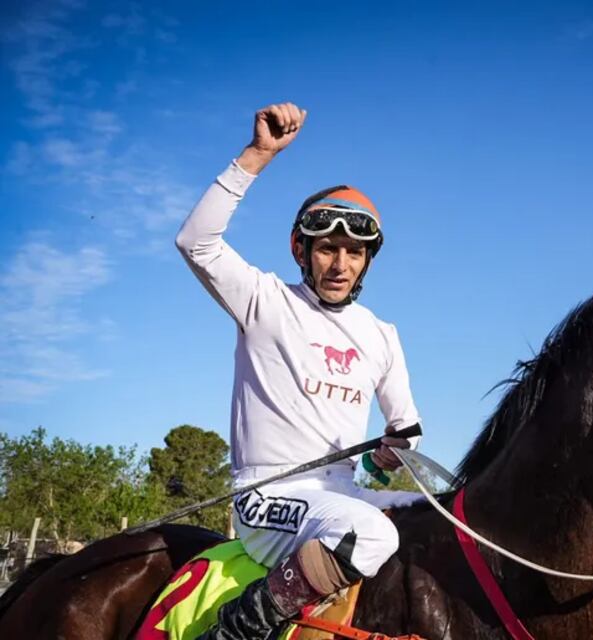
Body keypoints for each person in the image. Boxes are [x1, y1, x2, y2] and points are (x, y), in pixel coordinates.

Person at [175, 102, 423, 640]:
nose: (340, 264)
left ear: (367, 260)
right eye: (328, 249)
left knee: (440, 514)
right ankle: (236, 631)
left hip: (343, 497)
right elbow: (195, 243)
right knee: (373, 535)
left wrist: (388, 456)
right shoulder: (264, 301)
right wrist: (257, 155)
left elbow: (404, 432)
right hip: (266, 499)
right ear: (301, 250)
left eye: (354, 252)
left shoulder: (383, 334)